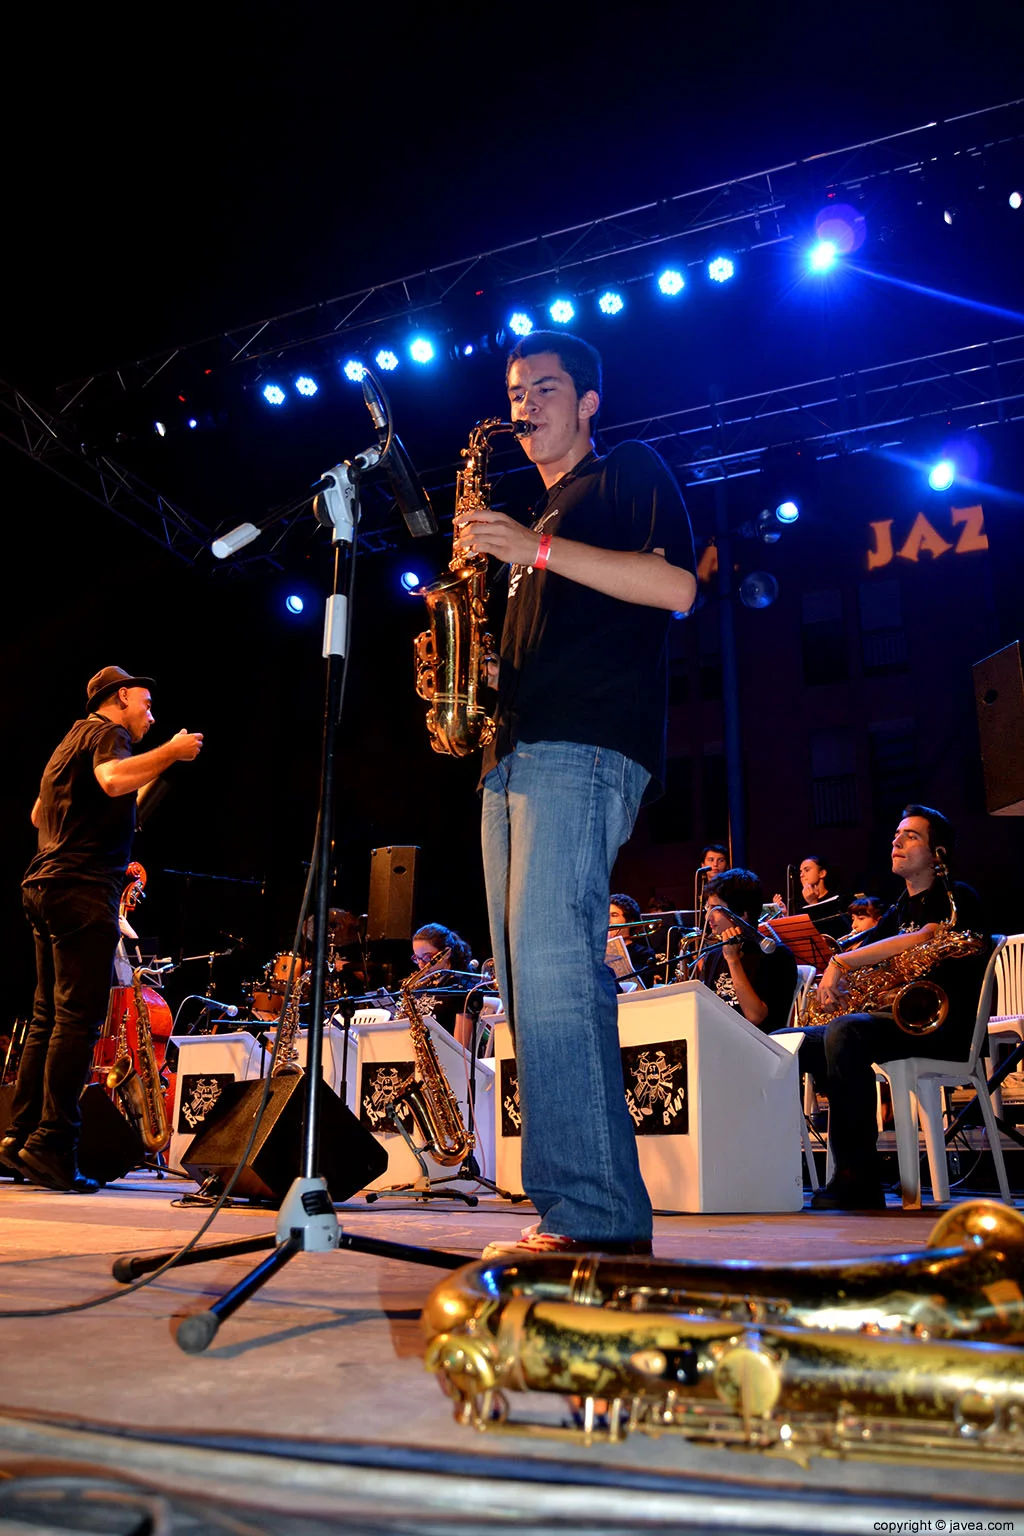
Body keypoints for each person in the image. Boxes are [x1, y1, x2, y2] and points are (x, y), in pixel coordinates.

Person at [456, 329, 696, 1258]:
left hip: (585, 751)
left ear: (590, 401)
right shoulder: (537, 521)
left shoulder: (626, 470)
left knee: (557, 972)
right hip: (510, 757)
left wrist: (536, 550)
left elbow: (676, 587)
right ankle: (567, 1208)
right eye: (516, 391)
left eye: (545, 388)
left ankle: (597, 1218)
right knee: (526, 987)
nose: (525, 405)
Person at [0, 667, 203, 1192]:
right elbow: (112, 780)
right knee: (77, 1022)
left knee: (48, 1019)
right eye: (146, 703)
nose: (151, 716)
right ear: (120, 697)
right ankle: (51, 1143)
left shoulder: (70, 740)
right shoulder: (107, 734)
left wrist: (149, 776)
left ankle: (18, 1138)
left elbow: (39, 813)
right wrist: (171, 753)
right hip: (81, 890)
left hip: (44, 884)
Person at [777, 805, 990, 1211]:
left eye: (911, 836)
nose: (896, 840)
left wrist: (841, 964)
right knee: (784, 1042)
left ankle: (857, 1177)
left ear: (938, 854)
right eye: (896, 834)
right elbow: (879, 951)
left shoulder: (958, 897)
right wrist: (844, 991)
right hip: (893, 1023)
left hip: (942, 1028)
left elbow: (927, 935)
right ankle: (769, 1168)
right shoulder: (896, 911)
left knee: (845, 1033)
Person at [698, 869, 797, 1032]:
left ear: (741, 914)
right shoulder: (714, 955)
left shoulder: (775, 954)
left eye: (716, 909)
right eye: (707, 908)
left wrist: (733, 960)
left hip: (757, 1044)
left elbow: (755, 1016)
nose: (709, 916)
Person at [410, 922, 477, 1048]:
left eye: (427, 957)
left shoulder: (461, 987)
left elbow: (460, 1048)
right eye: (417, 958)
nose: (421, 964)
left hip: (445, 1058)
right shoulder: (420, 986)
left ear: (446, 953)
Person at [608, 893, 658, 989]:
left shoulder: (643, 953)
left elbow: (641, 986)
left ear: (630, 921)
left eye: (614, 915)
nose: (608, 920)